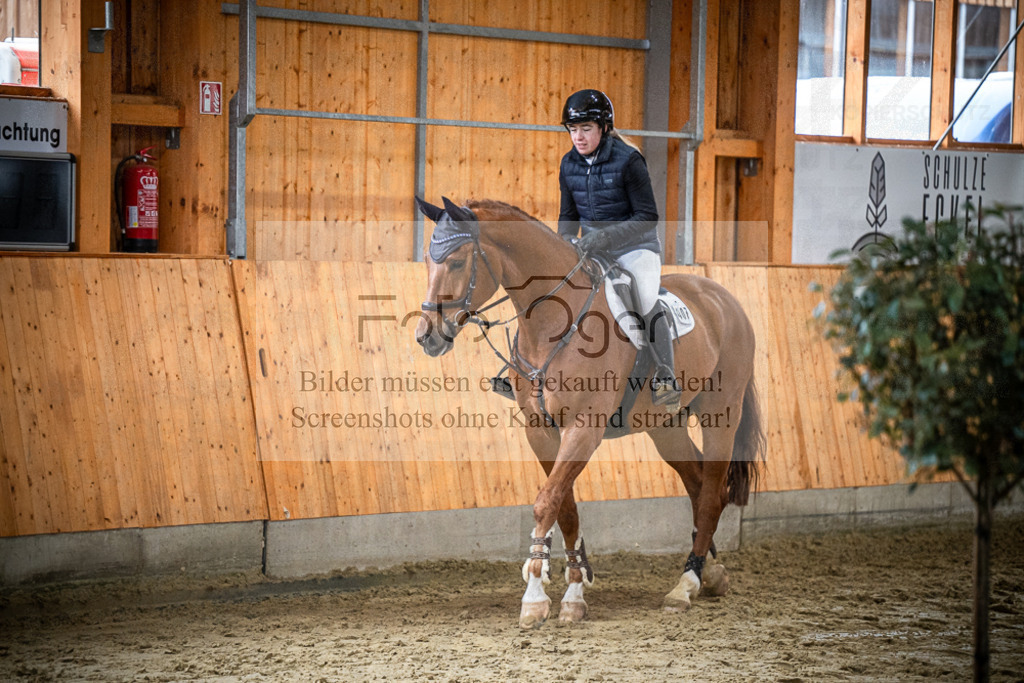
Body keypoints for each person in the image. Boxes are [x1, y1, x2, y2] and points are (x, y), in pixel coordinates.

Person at [557, 88, 681, 410]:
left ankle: (666, 377)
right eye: (573, 130)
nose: (578, 137)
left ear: (603, 128)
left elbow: (647, 217)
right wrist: (565, 241)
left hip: (636, 249)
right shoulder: (568, 164)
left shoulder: (629, 160)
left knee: (643, 297)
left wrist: (603, 238)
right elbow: (569, 217)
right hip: (591, 249)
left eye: (586, 129)